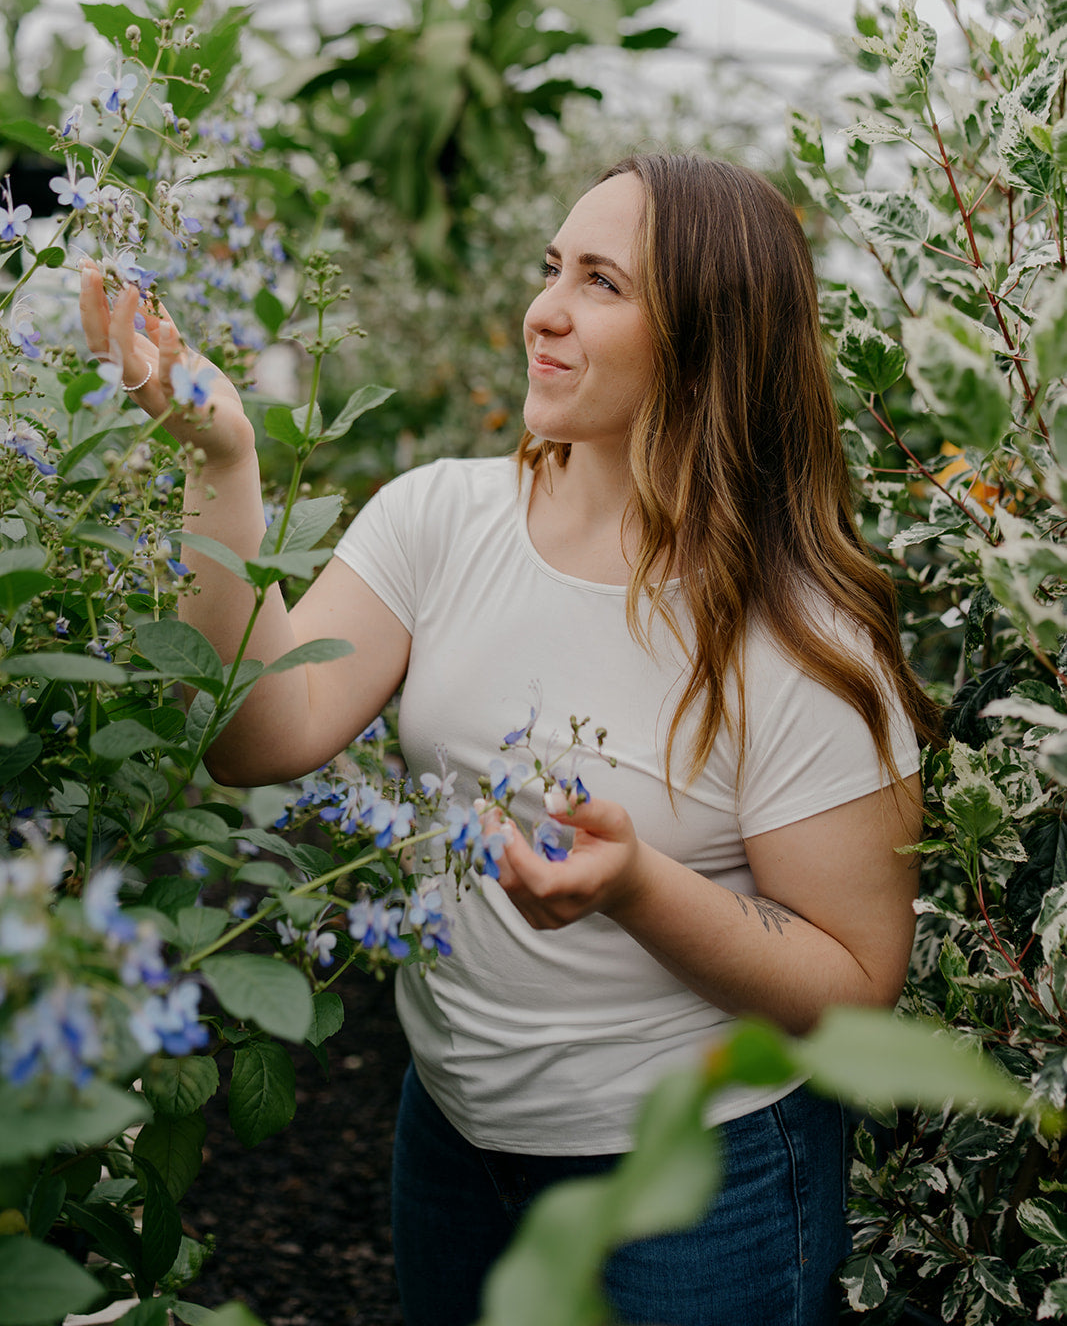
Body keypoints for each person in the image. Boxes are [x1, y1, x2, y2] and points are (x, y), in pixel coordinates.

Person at [80, 153, 940, 1326]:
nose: (542, 310)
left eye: (600, 282)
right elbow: (260, 733)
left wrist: (636, 886)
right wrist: (217, 455)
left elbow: (852, 988)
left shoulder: (793, 637)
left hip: (693, 1182)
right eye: (551, 268)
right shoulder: (441, 519)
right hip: (452, 1137)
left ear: (706, 341)